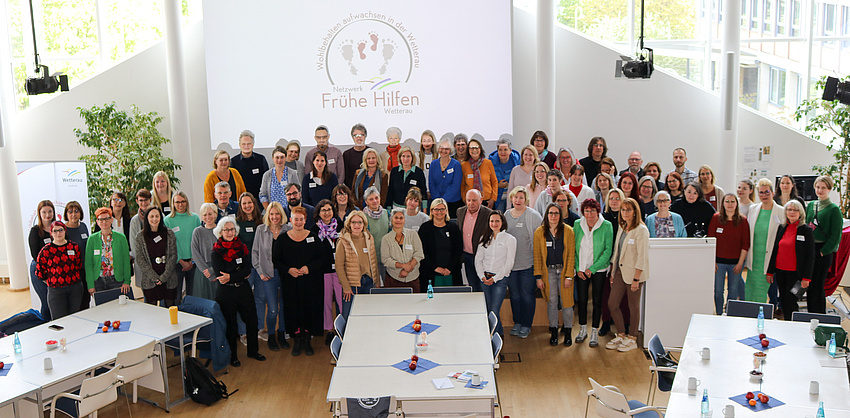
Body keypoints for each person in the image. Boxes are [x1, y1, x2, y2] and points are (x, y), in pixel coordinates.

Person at [211, 216, 266, 366]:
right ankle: (233, 356)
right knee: (231, 326)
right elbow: (221, 276)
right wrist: (236, 275)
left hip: (243, 289)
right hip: (226, 293)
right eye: (226, 230)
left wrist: (231, 276)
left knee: (252, 321)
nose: (230, 232)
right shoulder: (216, 252)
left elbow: (247, 270)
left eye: (232, 229)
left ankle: (253, 351)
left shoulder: (242, 248)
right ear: (220, 232)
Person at [273, 207, 324, 356]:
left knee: (309, 309)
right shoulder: (282, 239)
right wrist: (288, 270)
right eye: (296, 219)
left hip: (310, 283)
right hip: (290, 283)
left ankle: (307, 340)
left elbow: (321, 258)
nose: (299, 222)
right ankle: (297, 340)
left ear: (305, 220)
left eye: (301, 219)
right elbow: (276, 260)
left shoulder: (313, 237)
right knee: (293, 310)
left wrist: (309, 267)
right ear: (291, 220)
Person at [606, 198, 649, 352]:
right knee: (612, 303)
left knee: (633, 307)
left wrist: (636, 279)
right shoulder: (622, 227)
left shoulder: (641, 230)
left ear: (635, 211)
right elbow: (617, 252)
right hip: (620, 272)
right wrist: (612, 272)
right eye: (623, 210)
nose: (624, 213)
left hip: (634, 275)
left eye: (628, 210)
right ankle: (621, 334)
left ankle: (632, 338)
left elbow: (642, 257)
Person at [533, 203, 576, 346]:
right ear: (546, 215)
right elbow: (537, 256)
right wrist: (538, 277)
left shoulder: (568, 231)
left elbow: (571, 255)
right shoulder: (540, 232)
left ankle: (568, 331)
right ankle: (553, 331)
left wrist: (569, 276)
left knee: (567, 303)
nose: (553, 216)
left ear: (561, 215)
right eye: (551, 213)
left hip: (564, 271)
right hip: (548, 271)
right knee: (552, 302)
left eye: (556, 213)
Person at [573, 199, 613, 348]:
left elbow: (607, 250)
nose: (589, 214)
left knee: (597, 301)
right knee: (582, 301)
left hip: (599, 270)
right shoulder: (578, 224)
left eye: (592, 210)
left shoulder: (606, 225)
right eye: (586, 211)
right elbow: (574, 248)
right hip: (582, 270)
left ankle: (594, 331)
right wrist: (579, 268)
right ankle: (582, 329)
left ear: (598, 211)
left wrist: (593, 269)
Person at [505, 187, 544, 339]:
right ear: (511, 199)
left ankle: (526, 325)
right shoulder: (507, 215)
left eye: (521, 198)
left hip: (528, 265)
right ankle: (517, 323)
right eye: (515, 197)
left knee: (527, 295)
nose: (518, 200)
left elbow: (540, 239)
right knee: (515, 296)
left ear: (526, 199)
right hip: (512, 266)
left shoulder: (533, 216)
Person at [767, 200, 814, 319]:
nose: (792, 212)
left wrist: (806, 278)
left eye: (795, 210)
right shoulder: (782, 227)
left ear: (801, 213)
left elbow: (810, 256)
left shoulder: (806, 230)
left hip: (797, 275)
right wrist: (770, 271)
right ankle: (787, 324)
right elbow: (775, 250)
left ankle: (793, 325)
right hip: (781, 272)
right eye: (789, 210)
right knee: (783, 300)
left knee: (792, 301)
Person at [253, 202, 290, 350]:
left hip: (285, 274)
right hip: (268, 275)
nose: (274, 217)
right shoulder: (261, 230)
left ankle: (282, 334)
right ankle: (271, 336)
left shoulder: (288, 229)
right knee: (273, 308)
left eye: (277, 213)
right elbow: (255, 253)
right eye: (272, 214)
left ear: (281, 215)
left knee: (284, 307)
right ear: (268, 215)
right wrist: (260, 272)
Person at [805, 175, 843, 314]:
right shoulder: (811, 205)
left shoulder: (834, 210)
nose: (820, 190)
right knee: (808, 284)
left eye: (823, 188)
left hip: (822, 251)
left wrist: (823, 252)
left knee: (818, 285)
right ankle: (809, 315)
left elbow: (836, 235)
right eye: (818, 187)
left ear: (829, 189)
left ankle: (819, 315)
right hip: (810, 248)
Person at [475, 211, 517, 337]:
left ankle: (496, 336)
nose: (494, 223)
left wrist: (495, 278)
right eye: (492, 221)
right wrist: (482, 276)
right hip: (484, 279)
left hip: (500, 280)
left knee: (494, 310)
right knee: (488, 309)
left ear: (502, 222)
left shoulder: (510, 239)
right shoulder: (484, 238)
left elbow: (509, 263)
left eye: (497, 221)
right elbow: (478, 260)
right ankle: (497, 334)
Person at [707, 193, 751, 313]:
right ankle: (719, 313)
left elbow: (745, 244)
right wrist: (713, 261)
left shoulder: (743, 221)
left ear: (736, 204)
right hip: (719, 263)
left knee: (733, 290)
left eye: (732, 201)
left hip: (736, 263)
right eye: (727, 201)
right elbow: (711, 240)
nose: (730, 204)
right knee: (718, 291)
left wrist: (740, 263)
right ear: (723, 203)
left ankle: (730, 314)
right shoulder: (716, 218)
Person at [745, 178, 785, 304]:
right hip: (754, 258)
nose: (764, 195)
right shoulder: (753, 209)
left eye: (767, 192)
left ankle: (761, 316)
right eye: (761, 193)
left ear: (772, 193)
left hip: (769, 259)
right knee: (751, 289)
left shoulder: (781, 211)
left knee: (763, 290)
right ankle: (749, 314)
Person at [336, 210, 380, 320]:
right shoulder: (343, 241)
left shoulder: (369, 238)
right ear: (349, 224)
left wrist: (377, 282)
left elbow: (374, 261)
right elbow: (339, 266)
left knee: (367, 314)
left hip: (369, 281)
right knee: (349, 316)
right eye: (353, 222)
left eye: (360, 222)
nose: (357, 225)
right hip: (352, 285)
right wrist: (346, 287)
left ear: (364, 224)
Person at [35, 221, 83, 319]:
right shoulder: (46, 251)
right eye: (55, 231)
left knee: (75, 319)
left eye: (60, 230)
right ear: (51, 233)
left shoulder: (74, 247)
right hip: (56, 291)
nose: (58, 233)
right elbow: (40, 272)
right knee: (59, 321)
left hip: (75, 289)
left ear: (65, 231)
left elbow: (78, 264)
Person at [310, 200, 341, 346]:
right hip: (323, 272)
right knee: (326, 302)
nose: (327, 213)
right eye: (323, 210)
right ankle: (329, 330)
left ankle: (343, 328)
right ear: (318, 213)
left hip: (340, 270)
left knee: (342, 301)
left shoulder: (341, 226)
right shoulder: (314, 230)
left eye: (329, 209)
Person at [135, 206, 178, 306]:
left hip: (168, 277)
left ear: (160, 218)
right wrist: (154, 277)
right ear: (147, 218)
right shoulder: (140, 236)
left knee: (170, 309)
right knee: (152, 312)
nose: (154, 219)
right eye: (152, 216)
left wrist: (163, 277)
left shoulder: (169, 233)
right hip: (150, 279)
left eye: (157, 216)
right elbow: (140, 259)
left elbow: (173, 255)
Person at [236, 192, 264, 344]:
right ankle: (243, 331)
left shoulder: (261, 222)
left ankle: (258, 328)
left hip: (259, 266)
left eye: (249, 203)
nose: (247, 206)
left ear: (254, 204)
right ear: (240, 206)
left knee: (259, 298)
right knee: (244, 299)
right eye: (244, 203)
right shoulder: (237, 223)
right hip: (245, 268)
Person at [86, 208, 132, 297]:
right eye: (101, 219)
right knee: (102, 309)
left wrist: (127, 281)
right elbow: (88, 264)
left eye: (107, 218)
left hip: (117, 280)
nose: (104, 222)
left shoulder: (121, 238)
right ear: (97, 222)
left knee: (118, 308)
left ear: (111, 220)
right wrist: (90, 285)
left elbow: (126, 261)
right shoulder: (92, 239)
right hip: (98, 281)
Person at [418, 198, 463, 288]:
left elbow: (458, 250)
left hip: (451, 272)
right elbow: (422, 251)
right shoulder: (425, 228)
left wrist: (449, 268)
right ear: (431, 211)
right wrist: (435, 268)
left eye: (442, 209)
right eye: (436, 209)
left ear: (446, 211)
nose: (439, 212)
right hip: (430, 272)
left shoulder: (454, 228)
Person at [164, 191, 200, 302]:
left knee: (193, 295)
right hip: (176, 263)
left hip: (193, 262)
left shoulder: (194, 218)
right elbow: (168, 244)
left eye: (183, 201)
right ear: (173, 204)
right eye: (177, 202)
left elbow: (198, 241)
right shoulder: (168, 220)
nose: (180, 205)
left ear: (187, 202)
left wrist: (193, 260)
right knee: (177, 295)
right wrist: (180, 260)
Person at [381, 208, 425, 292]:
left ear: (405, 220)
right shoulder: (386, 238)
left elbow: (419, 253)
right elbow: (385, 260)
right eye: (396, 217)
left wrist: (407, 269)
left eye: (401, 218)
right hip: (393, 279)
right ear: (391, 219)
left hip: (413, 278)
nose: (398, 220)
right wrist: (403, 266)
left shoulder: (413, 234)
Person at [457, 189, 493, 293]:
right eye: (468, 200)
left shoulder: (488, 214)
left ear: (481, 200)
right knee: (473, 286)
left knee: (485, 287)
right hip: (467, 256)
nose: (471, 203)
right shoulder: (460, 211)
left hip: (483, 258)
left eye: (474, 200)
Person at [29, 200, 55, 320]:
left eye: (50, 211)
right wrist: (45, 274)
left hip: (55, 270)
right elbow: (35, 254)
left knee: (54, 300)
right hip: (39, 270)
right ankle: (45, 326)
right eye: (44, 212)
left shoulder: (57, 228)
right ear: (39, 213)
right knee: (46, 300)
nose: (47, 215)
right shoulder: (35, 231)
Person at [191, 203, 220, 301]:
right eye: (204, 215)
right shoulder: (197, 232)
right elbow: (195, 253)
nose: (208, 217)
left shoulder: (221, 231)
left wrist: (213, 270)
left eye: (210, 214)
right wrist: (206, 271)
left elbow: (225, 254)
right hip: (202, 272)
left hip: (219, 270)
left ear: (215, 214)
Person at [63, 201, 89, 309]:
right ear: (66, 214)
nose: (73, 214)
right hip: (71, 272)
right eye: (70, 212)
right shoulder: (63, 229)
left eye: (76, 211)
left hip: (85, 269)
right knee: (74, 301)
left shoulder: (83, 226)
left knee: (86, 299)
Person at [230, 130, 269, 199]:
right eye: (243, 144)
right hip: (240, 200)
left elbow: (267, 180)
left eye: (249, 144)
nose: (246, 146)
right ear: (239, 145)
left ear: (253, 144)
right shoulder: (233, 162)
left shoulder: (261, 159)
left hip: (259, 200)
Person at [429, 138, 464, 216]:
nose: (443, 151)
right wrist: (438, 200)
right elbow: (432, 184)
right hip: (436, 204)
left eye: (446, 149)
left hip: (453, 203)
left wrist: (443, 200)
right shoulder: (433, 164)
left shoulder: (456, 165)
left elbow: (456, 185)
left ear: (450, 150)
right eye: (441, 148)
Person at [462, 139, 499, 209]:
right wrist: (465, 200)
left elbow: (494, 182)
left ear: (480, 149)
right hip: (471, 202)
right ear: (468, 150)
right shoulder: (464, 165)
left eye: (476, 148)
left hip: (487, 201)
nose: (474, 150)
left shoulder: (488, 163)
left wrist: (493, 199)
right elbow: (462, 186)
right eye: (471, 148)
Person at [362, 186, 390, 280]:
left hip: (386, 258)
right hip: (371, 259)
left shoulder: (387, 214)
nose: (374, 201)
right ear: (366, 202)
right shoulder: (362, 217)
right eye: (371, 199)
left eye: (376, 198)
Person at [259, 145, 299, 210]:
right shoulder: (267, 175)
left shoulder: (292, 173)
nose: (279, 160)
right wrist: (269, 211)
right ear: (273, 158)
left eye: (282, 157)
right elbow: (263, 195)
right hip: (273, 212)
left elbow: (298, 193)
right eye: (277, 157)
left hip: (290, 211)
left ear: (285, 158)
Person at [489, 137, 520, 212]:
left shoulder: (517, 161)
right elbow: (487, 181)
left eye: (505, 149)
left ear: (510, 151)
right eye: (500, 150)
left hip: (514, 197)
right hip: (499, 197)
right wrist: (497, 185)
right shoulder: (491, 162)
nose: (503, 152)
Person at [507, 145, 540, 209]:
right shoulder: (515, 170)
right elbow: (510, 190)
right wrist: (508, 207)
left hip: (534, 207)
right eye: (525, 154)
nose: (528, 157)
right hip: (517, 206)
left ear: (535, 156)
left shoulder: (539, 170)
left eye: (530, 155)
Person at [342, 123, 370, 190]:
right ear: (352, 137)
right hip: (352, 190)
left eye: (361, 135)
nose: (359, 137)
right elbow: (346, 176)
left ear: (365, 136)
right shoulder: (346, 154)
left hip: (369, 189)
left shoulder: (371, 152)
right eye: (356, 135)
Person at [417, 130, 437, 196]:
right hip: (421, 191)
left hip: (436, 191)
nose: (426, 143)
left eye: (429, 141)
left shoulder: (438, 156)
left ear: (433, 141)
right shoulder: (417, 156)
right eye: (424, 141)